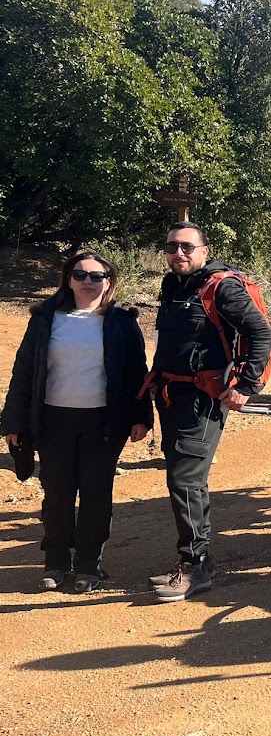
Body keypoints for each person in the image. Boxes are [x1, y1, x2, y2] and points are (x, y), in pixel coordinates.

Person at [2, 252, 153, 592]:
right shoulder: (45, 319)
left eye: (96, 276)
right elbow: (24, 371)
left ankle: (88, 564)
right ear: (67, 279)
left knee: (96, 493)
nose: (88, 281)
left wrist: (141, 416)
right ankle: (56, 562)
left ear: (108, 281)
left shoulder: (122, 322)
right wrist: (14, 421)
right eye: (80, 274)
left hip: (105, 422)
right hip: (53, 420)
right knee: (57, 492)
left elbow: (136, 373)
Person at [147, 222, 271, 602]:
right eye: (171, 246)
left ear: (204, 251)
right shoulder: (173, 285)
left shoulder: (222, 287)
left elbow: (261, 334)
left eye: (187, 247)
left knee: (185, 479)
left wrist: (246, 386)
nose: (178, 253)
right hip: (171, 395)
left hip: (203, 399)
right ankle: (197, 561)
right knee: (182, 476)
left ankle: (195, 565)